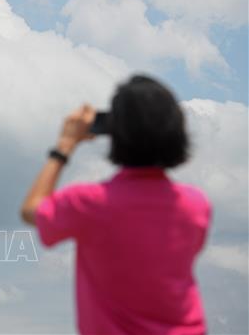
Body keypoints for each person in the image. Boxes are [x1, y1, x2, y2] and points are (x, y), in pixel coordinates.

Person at [21, 75, 211, 335]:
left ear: (114, 134)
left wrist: (64, 146)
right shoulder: (196, 205)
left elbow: (31, 210)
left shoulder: (89, 203)